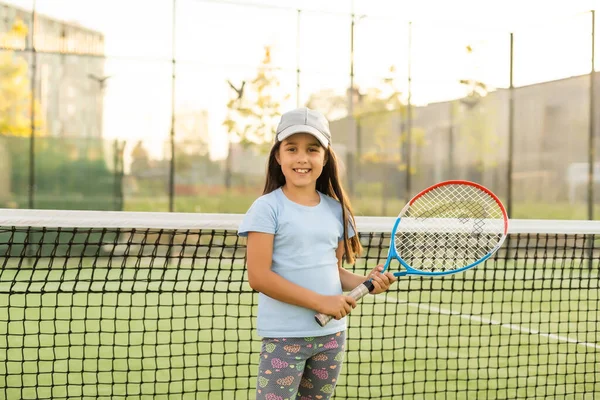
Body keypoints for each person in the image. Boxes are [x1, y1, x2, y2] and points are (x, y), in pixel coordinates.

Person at [238, 107, 397, 400]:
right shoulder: (266, 208)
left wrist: (367, 281)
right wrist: (321, 301)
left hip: (331, 337)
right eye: (292, 148)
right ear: (278, 156)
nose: (302, 157)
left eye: (312, 149)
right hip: (284, 338)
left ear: (325, 157)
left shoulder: (337, 210)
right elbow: (259, 277)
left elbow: (333, 271)